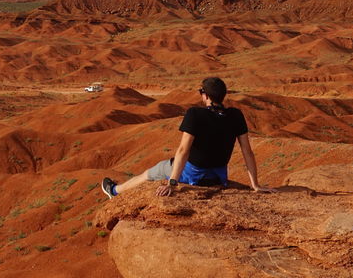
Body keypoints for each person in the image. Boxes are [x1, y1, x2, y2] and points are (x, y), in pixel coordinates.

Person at [100, 76, 271, 197]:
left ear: (205, 96)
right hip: (218, 177)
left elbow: (183, 150)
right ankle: (115, 190)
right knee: (166, 165)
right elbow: (247, 152)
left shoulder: (195, 113)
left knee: (151, 172)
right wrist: (255, 185)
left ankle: (114, 191)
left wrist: (172, 183)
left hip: (192, 176)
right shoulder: (236, 115)